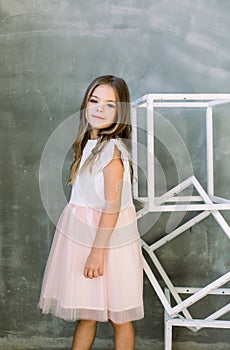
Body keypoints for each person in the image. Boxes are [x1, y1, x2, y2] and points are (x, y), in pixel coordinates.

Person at [39, 75, 144, 350]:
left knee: (119, 316)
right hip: (83, 236)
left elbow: (112, 207)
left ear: (120, 111)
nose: (99, 109)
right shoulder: (89, 144)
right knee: (87, 314)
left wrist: (96, 252)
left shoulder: (113, 151)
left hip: (107, 240)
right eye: (94, 101)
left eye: (109, 105)